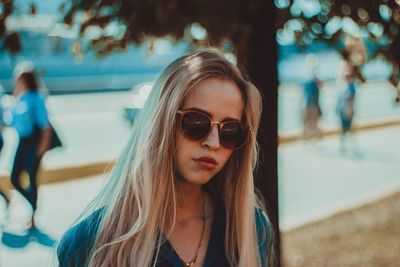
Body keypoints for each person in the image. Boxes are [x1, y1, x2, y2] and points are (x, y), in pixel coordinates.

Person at [57, 49, 274, 267]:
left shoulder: (252, 230)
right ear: (162, 123)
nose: (213, 142)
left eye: (230, 131)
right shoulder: (88, 243)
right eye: (196, 123)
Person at [9, 66, 52, 228]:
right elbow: (11, 122)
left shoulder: (37, 98)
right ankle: (33, 204)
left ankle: (33, 215)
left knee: (32, 179)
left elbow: (45, 127)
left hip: (34, 143)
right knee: (14, 178)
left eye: (18, 78)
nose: (15, 81)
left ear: (26, 80)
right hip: (22, 142)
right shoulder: (20, 98)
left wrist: (41, 149)